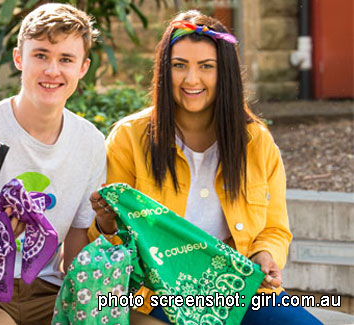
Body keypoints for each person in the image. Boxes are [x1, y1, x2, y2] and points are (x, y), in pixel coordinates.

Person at [88, 10, 320, 324]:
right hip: (155, 294)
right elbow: (103, 241)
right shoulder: (129, 138)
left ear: (224, 72)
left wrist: (264, 256)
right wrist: (105, 224)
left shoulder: (257, 142)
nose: (191, 79)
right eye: (179, 66)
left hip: (239, 288)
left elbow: (275, 229)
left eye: (206, 67)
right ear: (164, 71)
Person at [0, 3, 106, 324]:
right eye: (40, 55)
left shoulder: (91, 142)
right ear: (18, 58)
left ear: (83, 67)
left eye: (66, 59)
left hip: (47, 291)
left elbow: (76, 249)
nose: (53, 70)